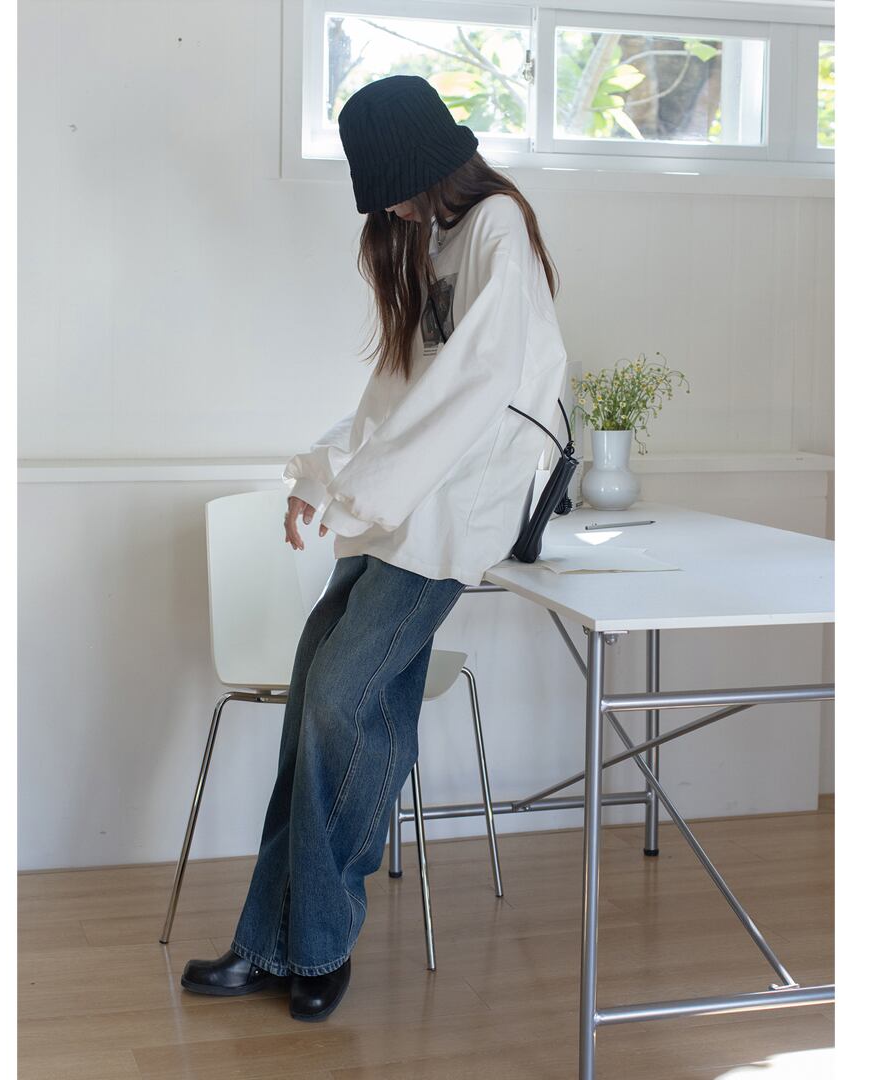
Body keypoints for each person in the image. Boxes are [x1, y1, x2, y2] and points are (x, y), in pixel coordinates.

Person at [180, 74, 568, 1022]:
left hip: (456, 511)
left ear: (428, 165)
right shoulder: (433, 242)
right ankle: (271, 942)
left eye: (391, 188)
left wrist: (359, 492)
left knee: (343, 702)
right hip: (403, 506)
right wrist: (322, 481)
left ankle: (316, 947)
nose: (388, 210)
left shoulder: (497, 229)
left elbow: (478, 388)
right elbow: (396, 393)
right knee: (317, 700)